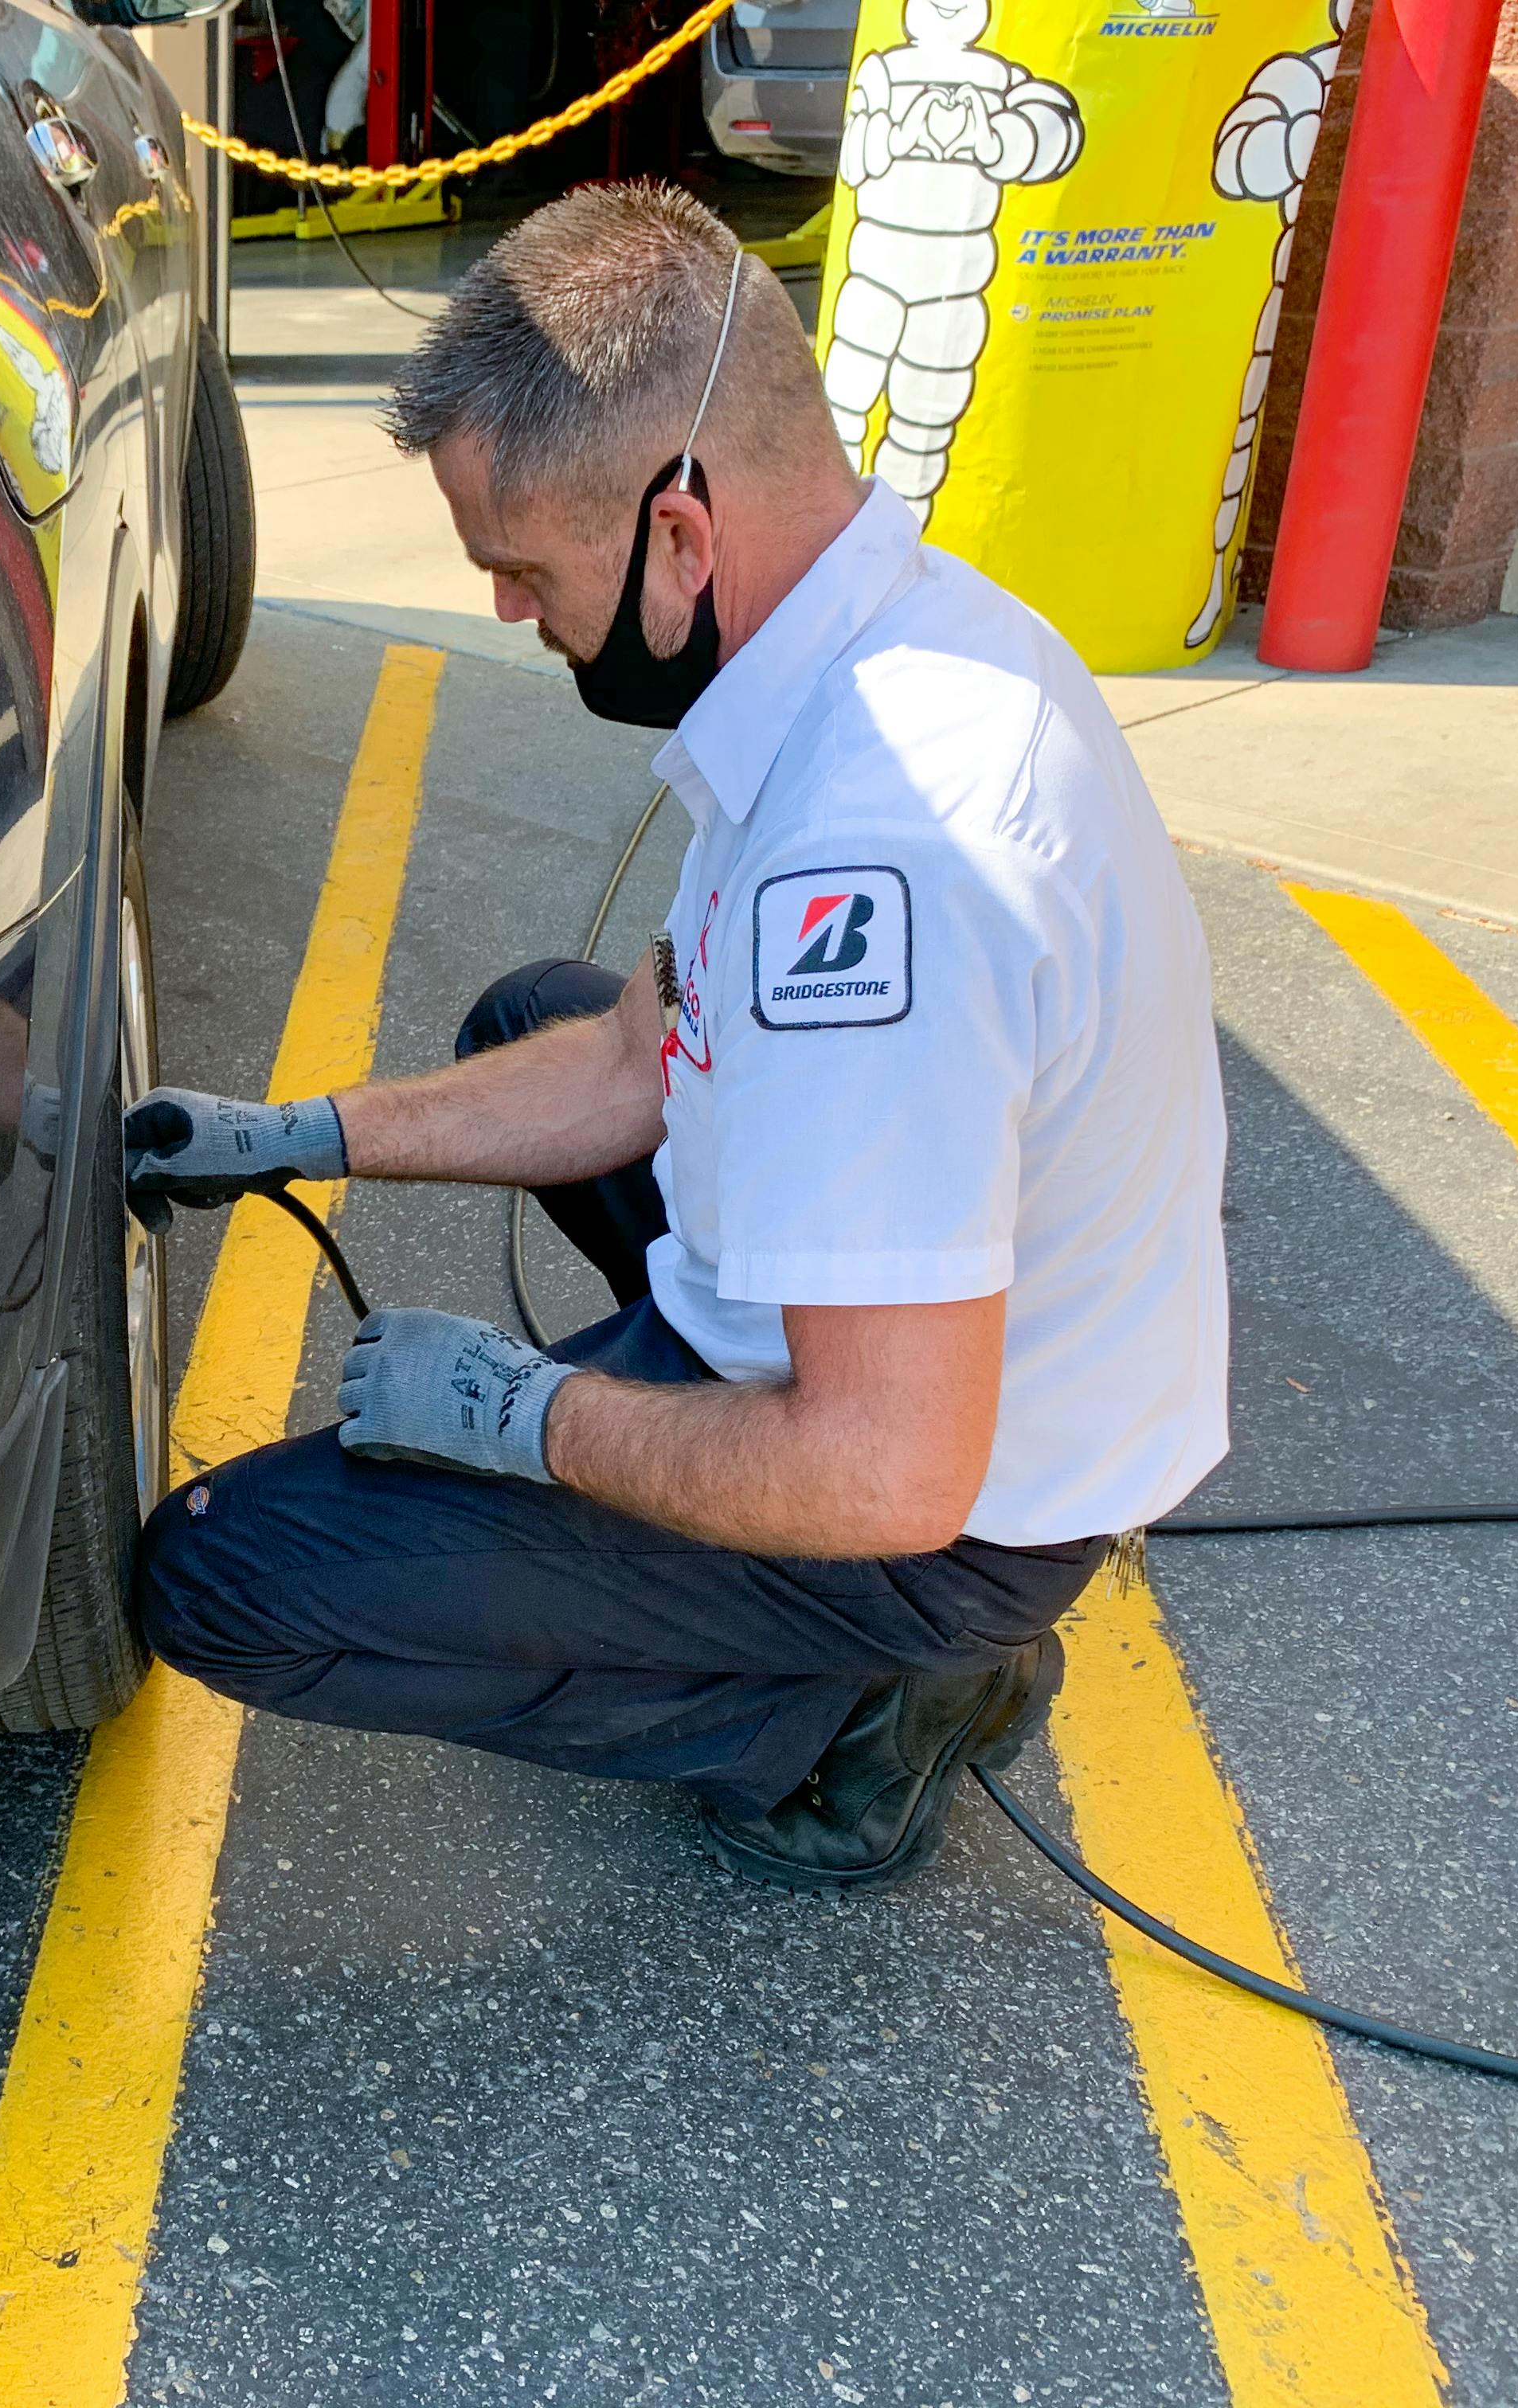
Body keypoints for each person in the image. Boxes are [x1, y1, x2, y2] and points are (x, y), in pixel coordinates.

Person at [126, 185, 1229, 1890]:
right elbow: (645, 1055)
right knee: (533, 1018)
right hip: (953, 1374)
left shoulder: (881, 864)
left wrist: (526, 1415)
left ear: (681, 536)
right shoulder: (886, 636)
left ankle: (849, 1714)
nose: (509, 612)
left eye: (525, 571)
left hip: (943, 1514)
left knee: (220, 1575)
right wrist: (304, 1134)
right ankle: (741, 1525)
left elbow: (884, 1472)